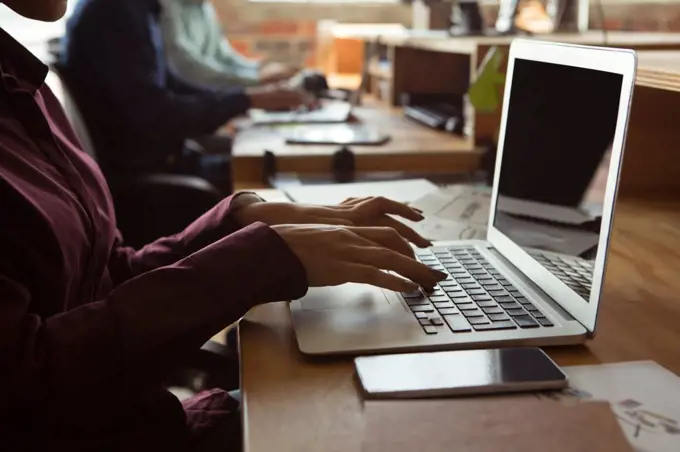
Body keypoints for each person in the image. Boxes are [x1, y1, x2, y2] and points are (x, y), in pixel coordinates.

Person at [0, 1, 447, 450]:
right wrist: (254, 262)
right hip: (124, 432)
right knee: (394, 420)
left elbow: (103, 277)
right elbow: (28, 390)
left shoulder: (18, 80)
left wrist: (235, 223)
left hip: (147, 419)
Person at [59, 0, 309, 192]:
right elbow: (156, 117)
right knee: (275, 176)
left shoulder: (136, 7)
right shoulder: (114, 12)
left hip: (169, 160)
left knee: (277, 164)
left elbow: (170, 85)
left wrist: (247, 97)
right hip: (148, 178)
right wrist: (245, 99)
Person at [158, 0, 296, 89]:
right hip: (184, 100)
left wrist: (259, 69)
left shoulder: (205, 6)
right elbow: (186, 68)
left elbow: (224, 57)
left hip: (207, 97)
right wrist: (255, 82)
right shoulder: (168, 7)